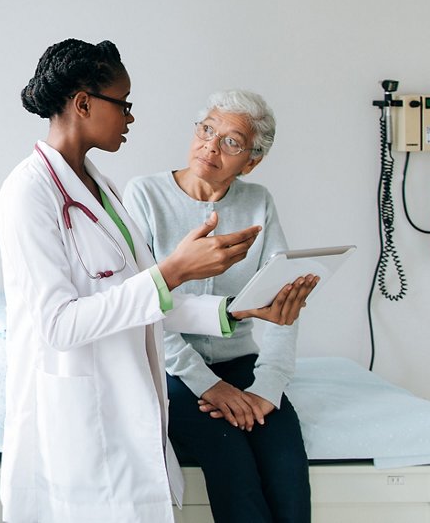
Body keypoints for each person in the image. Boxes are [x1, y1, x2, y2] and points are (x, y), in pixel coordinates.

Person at [0, 40, 313, 523]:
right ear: (83, 103)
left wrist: (237, 312)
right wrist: (175, 270)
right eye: (122, 104)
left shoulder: (101, 188)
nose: (130, 117)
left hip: (130, 391)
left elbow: (142, 298)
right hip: (81, 407)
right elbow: (58, 325)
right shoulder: (29, 191)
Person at [122, 89, 313, 523]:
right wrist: (207, 384)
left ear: (251, 160)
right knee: (234, 470)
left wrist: (268, 386)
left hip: (240, 360)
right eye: (207, 129)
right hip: (171, 370)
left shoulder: (257, 201)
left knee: (287, 470)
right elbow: (143, 306)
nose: (211, 145)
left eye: (231, 140)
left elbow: (283, 301)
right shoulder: (145, 195)